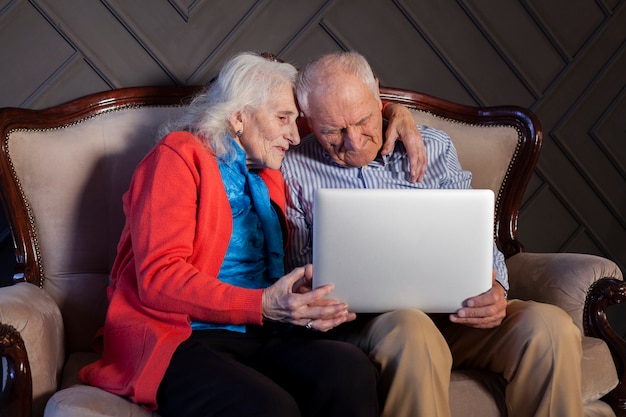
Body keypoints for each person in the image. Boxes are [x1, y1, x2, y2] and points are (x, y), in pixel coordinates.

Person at [281, 51, 584, 417]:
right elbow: (295, 266)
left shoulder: (433, 146)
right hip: (368, 325)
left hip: (454, 316)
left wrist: (497, 288)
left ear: (378, 96)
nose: (354, 142)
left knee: (550, 329)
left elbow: (473, 228)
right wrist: (306, 296)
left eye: (363, 121)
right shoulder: (293, 166)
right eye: (333, 131)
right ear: (307, 119)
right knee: (413, 331)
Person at [79, 52, 380, 417]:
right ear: (239, 117)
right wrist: (262, 304)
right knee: (270, 407)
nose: (294, 135)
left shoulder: (268, 170)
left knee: (349, 370)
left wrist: (301, 302)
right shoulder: (176, 157)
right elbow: (158, 276)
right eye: (283, 118)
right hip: (181, 335)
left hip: (262, 332)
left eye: (294, 120)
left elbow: (348, 113)